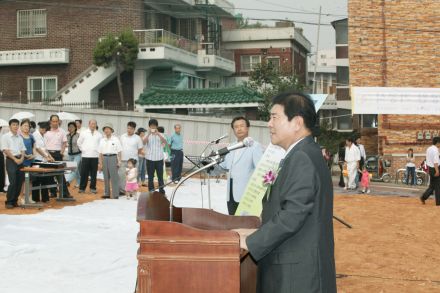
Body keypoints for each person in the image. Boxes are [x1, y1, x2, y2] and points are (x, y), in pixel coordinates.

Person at [233, 92, 337, 292]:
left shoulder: (302, 157)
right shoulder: (301, 153)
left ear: (297, 122)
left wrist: (251, 241)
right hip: (295, 268)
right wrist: (253, 232)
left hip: (297, 277)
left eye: (274, 117)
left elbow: (292, 215)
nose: (269, 124)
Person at [220, 116, 263, 215]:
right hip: (230, 194)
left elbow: (260, 171)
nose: (239, 129)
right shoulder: (231, 147)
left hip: (246, 195)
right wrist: (211, 165)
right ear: (233, 130)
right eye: (236, 127)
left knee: (245, 226)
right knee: (233, 223)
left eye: (242, 126)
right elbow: (224, 166)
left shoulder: (255, 146)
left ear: (248, 128)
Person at [45, 114, 72, 198]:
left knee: (60, 174)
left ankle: (65, 193)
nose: (55, 123)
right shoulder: (46, 131)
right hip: (48, 154)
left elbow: (64, 143)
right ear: (50, 122)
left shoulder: (62, 131)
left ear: (59, 122)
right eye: (53, 121)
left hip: (58, 154)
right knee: (49, 175)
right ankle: (53, 192)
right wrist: (46, 155)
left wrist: (61, 152)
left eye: (57, 121)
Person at [1, 119, 26, 209]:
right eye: (13, 125)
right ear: (10, 126)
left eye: (17, 125)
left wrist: (22, 158)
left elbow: (23, 149)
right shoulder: (5, 136)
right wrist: (15, 159)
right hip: (11, 160)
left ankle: (15, 201)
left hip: (20, 160)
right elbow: (5, 150)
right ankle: (9, 201)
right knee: (13, 181)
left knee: (19, 181)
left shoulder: (19, 137)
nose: (15, 126)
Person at [77, 119, 102, 194]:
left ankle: (93, 188)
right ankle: (82, 188)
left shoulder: (99, 134)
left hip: (95, 156)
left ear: (96, 125)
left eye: (94, 124)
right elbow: (79, 142)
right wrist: (83, 150)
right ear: (89, 124)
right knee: (84, 173)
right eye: (91, 124)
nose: (93, 125)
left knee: (94, 173)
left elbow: (100, 146)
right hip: (85, 156)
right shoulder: (84, 133)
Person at [119, 121, 144, 195]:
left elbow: (140, 149)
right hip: (123, 159)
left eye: (131, 129)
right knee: (122, 175)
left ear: (134, 129)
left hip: (133, 161)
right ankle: (122, 190)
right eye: (128, 128)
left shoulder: (138, 138)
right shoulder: (122, 136)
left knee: (132, 177)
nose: (129, 130)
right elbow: (119, 148)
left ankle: (131, 191)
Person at [98, 123, 122, 199]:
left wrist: (119, 161)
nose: (106, 130)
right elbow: (100, 153)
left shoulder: (116, 139)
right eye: (105, 129)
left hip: (113, 158)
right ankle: (107, 193)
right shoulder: (102, 140)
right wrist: (100, 163)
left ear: (111, 130)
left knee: (114, 177)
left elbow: (119, 151)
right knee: (105, 177)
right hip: (104, 158)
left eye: (108, 129)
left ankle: (115, 194)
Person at [32, 122, 54, 203]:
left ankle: (45, 198)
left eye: (45, 129)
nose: (44, 130)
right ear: (40, 128)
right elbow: (37, 148)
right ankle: (35, 198)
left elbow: (45, 148)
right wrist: (46, 157)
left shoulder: (43, 135)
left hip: (43, 159)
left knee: (45, 178)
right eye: (43, 128)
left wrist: (50, 156)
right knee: (37, 180)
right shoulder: (35, 134)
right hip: (37, 159)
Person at [144, 119, 167, 193]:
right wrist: (148, 134)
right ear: (149, 126)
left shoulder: (161, 134)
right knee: (150, 177)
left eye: (154, 126)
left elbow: (165, 142)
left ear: (156, 126)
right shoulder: (147, 135)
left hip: (159, 159)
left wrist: (158, 134)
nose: (153, 127)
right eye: (151, 126)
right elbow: (143, 142)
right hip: (150, 159)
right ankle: (151, 191)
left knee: (160, 176)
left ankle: (161, 190)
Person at [420, 137, 440, 206]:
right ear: (437, 143)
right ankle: (438, 202)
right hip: (435, 168)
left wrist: (429, 169)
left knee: (432, 186)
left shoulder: (428, 149)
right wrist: (437, 171)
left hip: (430, 168)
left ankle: (423, 197)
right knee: (438, 186)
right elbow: (435, 162)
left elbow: (427, 159)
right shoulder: (436, 150)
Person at [66, 122, 81, 188]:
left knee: (73, 168)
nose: (70, 128)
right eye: (69, 127)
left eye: (72, 127)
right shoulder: (67, 136)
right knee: (75, 169)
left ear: (75, 128)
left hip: (77, 154)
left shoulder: (78, 135)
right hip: (70, 154)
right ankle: (79, 182)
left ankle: (68, 181)